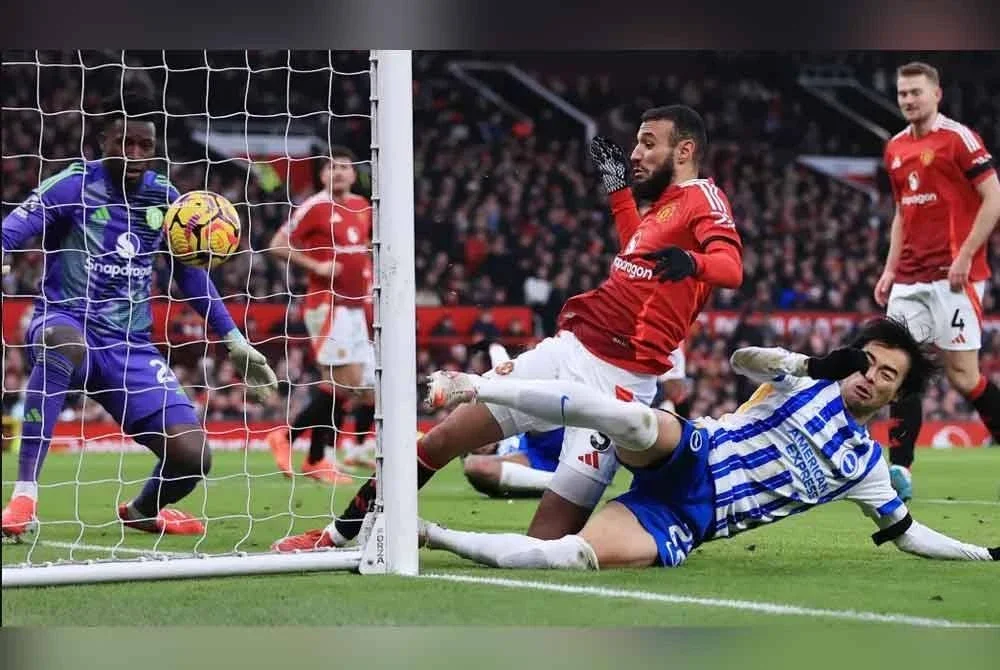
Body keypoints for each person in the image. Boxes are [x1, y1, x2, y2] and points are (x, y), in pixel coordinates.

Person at [272, 104, 744, 552]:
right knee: (441, 439)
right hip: (568, 353)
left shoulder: (701, 197)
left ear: (684, 151)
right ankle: (338, 535)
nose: (636, 153)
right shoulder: (660, 209)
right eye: (636, 144)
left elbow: (731, 266)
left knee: (545, 546)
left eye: (648, 143)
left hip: (621, 388)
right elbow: (635, 249)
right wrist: (619, 193)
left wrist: (692, 261)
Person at [420, 317, 999, 569]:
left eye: (886, 375)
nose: (870, 376)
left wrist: (985, 554)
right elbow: (740, 360)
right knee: (640, 423)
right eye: (868, 362)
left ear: (894, 395)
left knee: (573, 556)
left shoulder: (868, 466)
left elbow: (910, 536)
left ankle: (431, 536)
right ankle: (476, 385)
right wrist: (807, 361)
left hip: (692, 513)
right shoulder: (807, 376)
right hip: (700, 449)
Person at [0, 90, 277, 539]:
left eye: (144, 146)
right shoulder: (72, 184)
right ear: (102, 141)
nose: (134, 154)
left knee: (192, 457)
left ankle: (144, 509)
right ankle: (25, 495)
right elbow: (11, 230)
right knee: (63, 344)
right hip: (64, 321)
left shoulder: (165, 197)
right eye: (123, 143)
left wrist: (233, 338)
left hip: (129, 347)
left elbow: (189, 277)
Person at [874, 61, 1000, 501]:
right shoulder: (894, 149)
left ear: (936, 94)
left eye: (916, 92)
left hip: (952, 278)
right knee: (897, 368)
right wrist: (890, 269)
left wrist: (965, 255)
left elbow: (994, 197)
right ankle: (900, 471)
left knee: (964, 378)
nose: (908, 99)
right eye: (902, 93)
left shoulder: (958, 139)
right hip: (908, 278)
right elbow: (901, 215)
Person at [265, 147, 376, 485]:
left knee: (360, 388)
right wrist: (316, 265)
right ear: (323, 175)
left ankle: (315, 453)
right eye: (332, 168)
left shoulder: (362, 207)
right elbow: (276, 245)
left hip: (358, 307)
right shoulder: (314, 207)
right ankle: (298, 445)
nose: (339, 173)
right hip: (328, 305)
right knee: (344, 383)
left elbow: (365, 247)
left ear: (354, 174)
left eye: (345, 167)